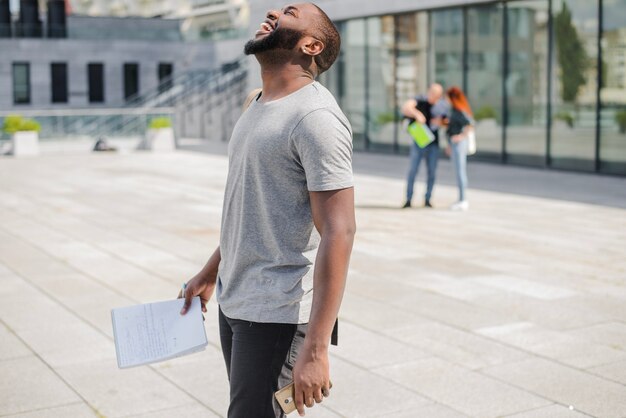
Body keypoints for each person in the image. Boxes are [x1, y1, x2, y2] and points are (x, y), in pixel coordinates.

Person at [178, 3, 356, 418]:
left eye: (290, 13)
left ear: (311, 45)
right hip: (236, 298)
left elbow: (340, 231)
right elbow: (253, 208)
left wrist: (315, 348)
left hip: (278, 313)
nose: (274, 11)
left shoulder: (316, 118)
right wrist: (211, 271)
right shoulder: (255, 103)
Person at [401, 83, 447, 208]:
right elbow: (406, 107)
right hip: (419, 142)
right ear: (429, 92)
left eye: (437, 95)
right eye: (433, 94)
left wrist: (440, 122)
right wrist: (417, 114)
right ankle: (408, 199)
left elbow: (447, 121)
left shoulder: (442, 105)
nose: (434, 97)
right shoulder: (420, 99)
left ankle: (427, 199)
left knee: (432, 172)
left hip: (433, 143)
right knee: (413, 170)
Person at [445, 86, 474, 211]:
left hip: (459, 144)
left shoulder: (459, 110)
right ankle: (461, 199)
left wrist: (461, 136)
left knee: (460, 171)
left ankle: (463, 200)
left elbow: (470, 124)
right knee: (458, 171)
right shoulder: (454, 110)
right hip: (454, 143)